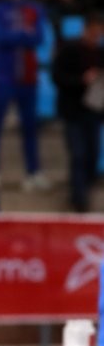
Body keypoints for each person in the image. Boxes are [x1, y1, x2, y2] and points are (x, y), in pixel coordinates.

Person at [0, 0, 49, 192]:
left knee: (30, 126)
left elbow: (39, 37)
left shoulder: (34, 9)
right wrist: (24, 35)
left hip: (28, 77)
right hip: (3, 76)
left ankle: (33, 172)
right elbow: (0, 37)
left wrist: (19, 37)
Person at [52, 13, 104, 212]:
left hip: (94, 111)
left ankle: (86, 188)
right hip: (73, 111)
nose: (96, 36)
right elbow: (58, 77)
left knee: (92, 153)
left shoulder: (101, 53)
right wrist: (81, 80)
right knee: (78, 154)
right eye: (93, 32)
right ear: (85, 30)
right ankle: (78, 198)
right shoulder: (69, 50)